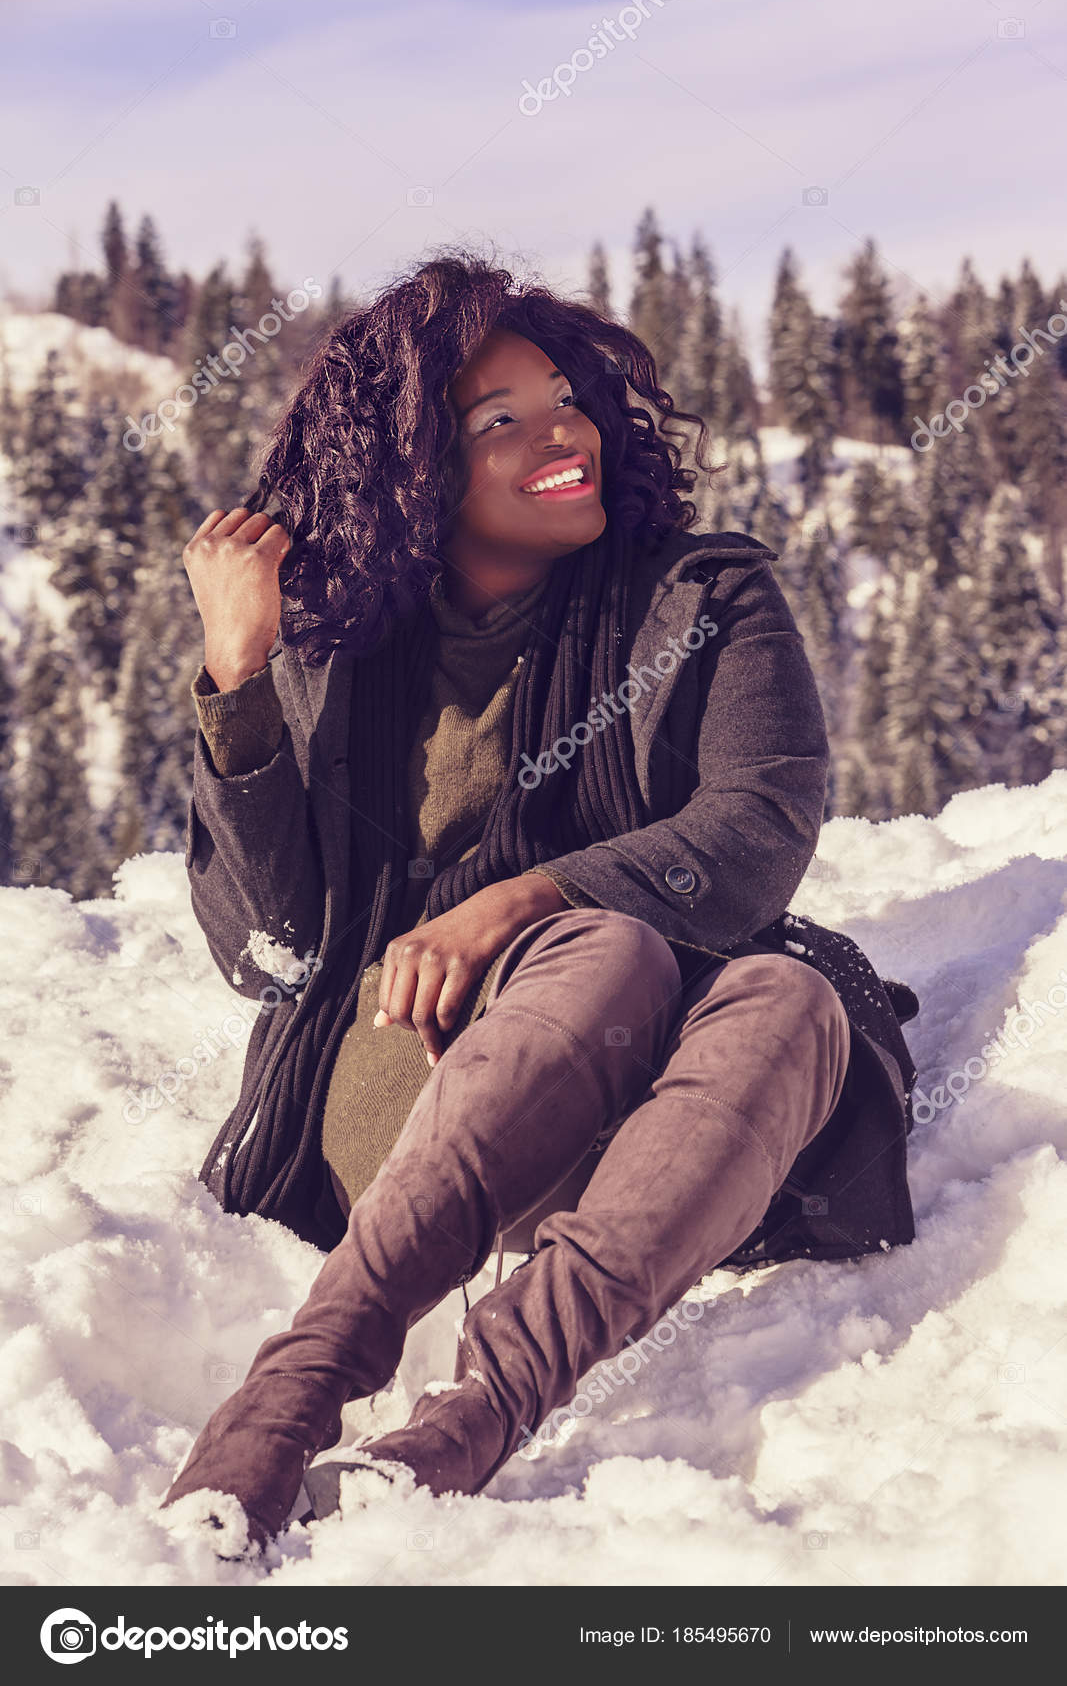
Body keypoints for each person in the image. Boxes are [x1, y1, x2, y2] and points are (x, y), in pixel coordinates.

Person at [161, 254, 919, 1552]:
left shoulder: (702, 595)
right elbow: (271, 952)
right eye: (495, 418)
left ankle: (466, 1424)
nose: (558, 429)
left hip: (668, 1120)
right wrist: (239, 672)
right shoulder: (334, 657)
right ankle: (283, 1405)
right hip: (425, 1090)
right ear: (412, 467)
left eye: (562, 397)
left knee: (792, 992)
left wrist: (523, 891)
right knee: (602, 949)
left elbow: (761, 824)